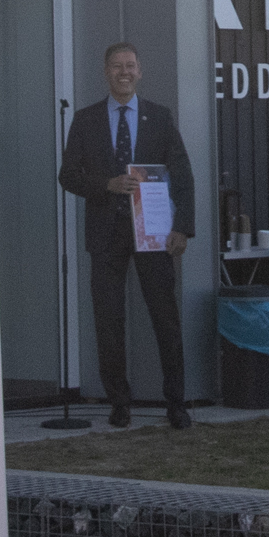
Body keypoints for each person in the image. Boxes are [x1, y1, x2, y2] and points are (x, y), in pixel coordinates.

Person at [55, 42, 196, 428]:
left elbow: (182, 175)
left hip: (153, 233)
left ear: (140, 70)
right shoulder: (85, 120)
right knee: (108, 321)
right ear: (106, 71)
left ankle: (176, 403)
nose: (124, 72)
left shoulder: (160, 117)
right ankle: (119, 401)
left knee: (165, 318)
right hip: (106, 233)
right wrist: (106, 184)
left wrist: (182, 227)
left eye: (130, 65)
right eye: (117, 66)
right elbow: (67, 176)